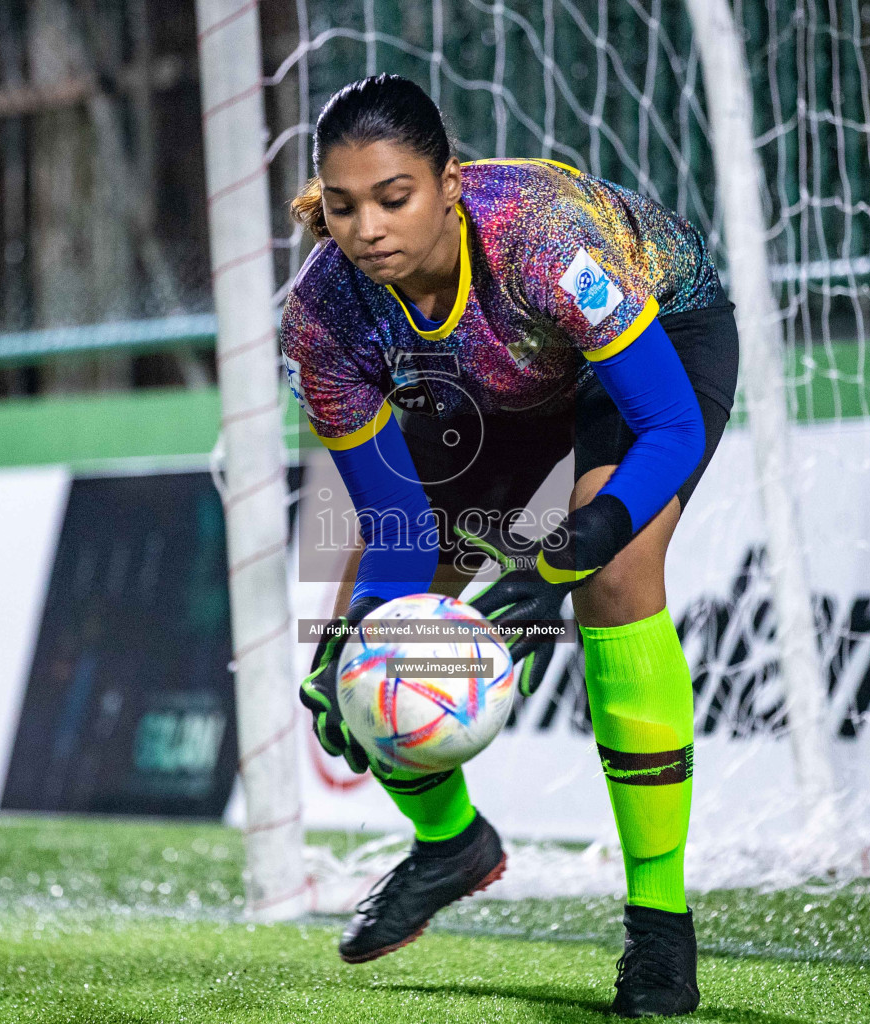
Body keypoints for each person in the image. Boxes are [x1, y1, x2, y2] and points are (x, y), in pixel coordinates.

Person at [284, 73, 738, 1018]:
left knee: (612, 574)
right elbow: (399, 527)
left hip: (656, 336)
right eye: (343, 207)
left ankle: (660, 931)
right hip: (496, 380)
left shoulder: (539, 237)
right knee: (365, 640)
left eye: (393, 197)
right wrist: (366, 627)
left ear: (449, 184)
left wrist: (562, 557)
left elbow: (668, 428)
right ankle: (452, 843)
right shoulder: (322, 315)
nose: (367, 228)